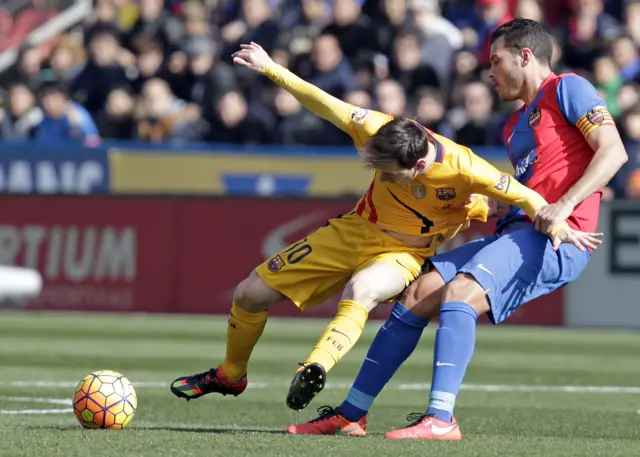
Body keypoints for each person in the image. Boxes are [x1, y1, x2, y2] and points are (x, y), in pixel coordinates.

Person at [169, 40, 601, 413]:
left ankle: (314, 366)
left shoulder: (466, 167)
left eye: (391, 174)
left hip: (407, 253)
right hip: (354, 231)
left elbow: (524, 196)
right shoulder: (376, 128)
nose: (384, 177)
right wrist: (271, 68)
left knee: (363, 291)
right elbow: (322, 102)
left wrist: (564, 226)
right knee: (249, 294)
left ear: (417, 166)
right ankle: (230, 375)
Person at [286, 18, 626, 439]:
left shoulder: (568, 87)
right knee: (417, 294)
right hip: (518, 231)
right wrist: (487, 203)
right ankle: (352, 413)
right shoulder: (513, 126)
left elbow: (614, 152)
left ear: (525, 56)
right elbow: (535, 184)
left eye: (496, 59)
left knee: (462, 291)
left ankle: (441, 419)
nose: (489, 70)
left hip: (559, 236)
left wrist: (564, 206)